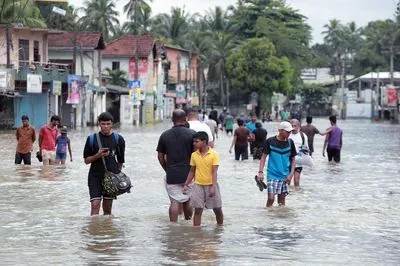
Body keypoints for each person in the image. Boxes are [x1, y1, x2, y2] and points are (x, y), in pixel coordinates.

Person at [156, 109, 195, 222]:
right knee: (187, 200)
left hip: (172, 173)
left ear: (172, 120)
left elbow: (160, 157)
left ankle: (173, 226)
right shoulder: (192, 134)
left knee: (174, 201)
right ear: (185, 119)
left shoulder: (164, 135)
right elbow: (196, 155)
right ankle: (188, 222)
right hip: (189, 174)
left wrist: (167, 169)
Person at [83, 112, 126, 216]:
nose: (105, 126)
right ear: (99, 124)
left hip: (111, 178)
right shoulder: (92, 139)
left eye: (108, 124)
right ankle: (94, 229)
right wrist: (97, 155)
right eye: (103, 124)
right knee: (95, 204)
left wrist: (117, 176)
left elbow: (120, 161)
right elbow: (86, 160)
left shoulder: (118, 139)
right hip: (95, 176)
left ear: (112, 124)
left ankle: (106, 230)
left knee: (107, 208)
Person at [183, 131, 223, 226]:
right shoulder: (194, 155)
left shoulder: (214, 154)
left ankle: (220, 227)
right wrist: (186, 184)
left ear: (204, 142)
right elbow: (192, 171)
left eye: (196, 142)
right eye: (194, 142)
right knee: (198, 209)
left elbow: (214, 172)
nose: (194, 144)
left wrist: (213, 187)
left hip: (211, 184)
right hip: (198, 185)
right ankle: (197, 233)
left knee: (217, 208)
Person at [257, 121, 296, 207]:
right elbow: (263, 157)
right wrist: (260, 172)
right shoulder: (270, 141)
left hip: (285, 176)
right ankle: (268, 215)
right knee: (271, 199)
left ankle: (279, 219)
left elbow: (293, 159)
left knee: (281, 203)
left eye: (290, 132)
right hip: (272, 174)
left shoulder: (290, 143)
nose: (289, 133)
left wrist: (291, 174)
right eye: (288, 131)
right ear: (280, 131)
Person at [289, 119, 309, 187]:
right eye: (292, 126)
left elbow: (306, 148)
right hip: (288, 161)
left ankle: (297, 196)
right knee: (287, 180)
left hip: (298, 161)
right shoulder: (287, 134)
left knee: (296, 181)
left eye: (295, 126)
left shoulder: (303, 136)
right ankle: (288, 195)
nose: (293, 127)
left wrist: (305, 152)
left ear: (299, 126)